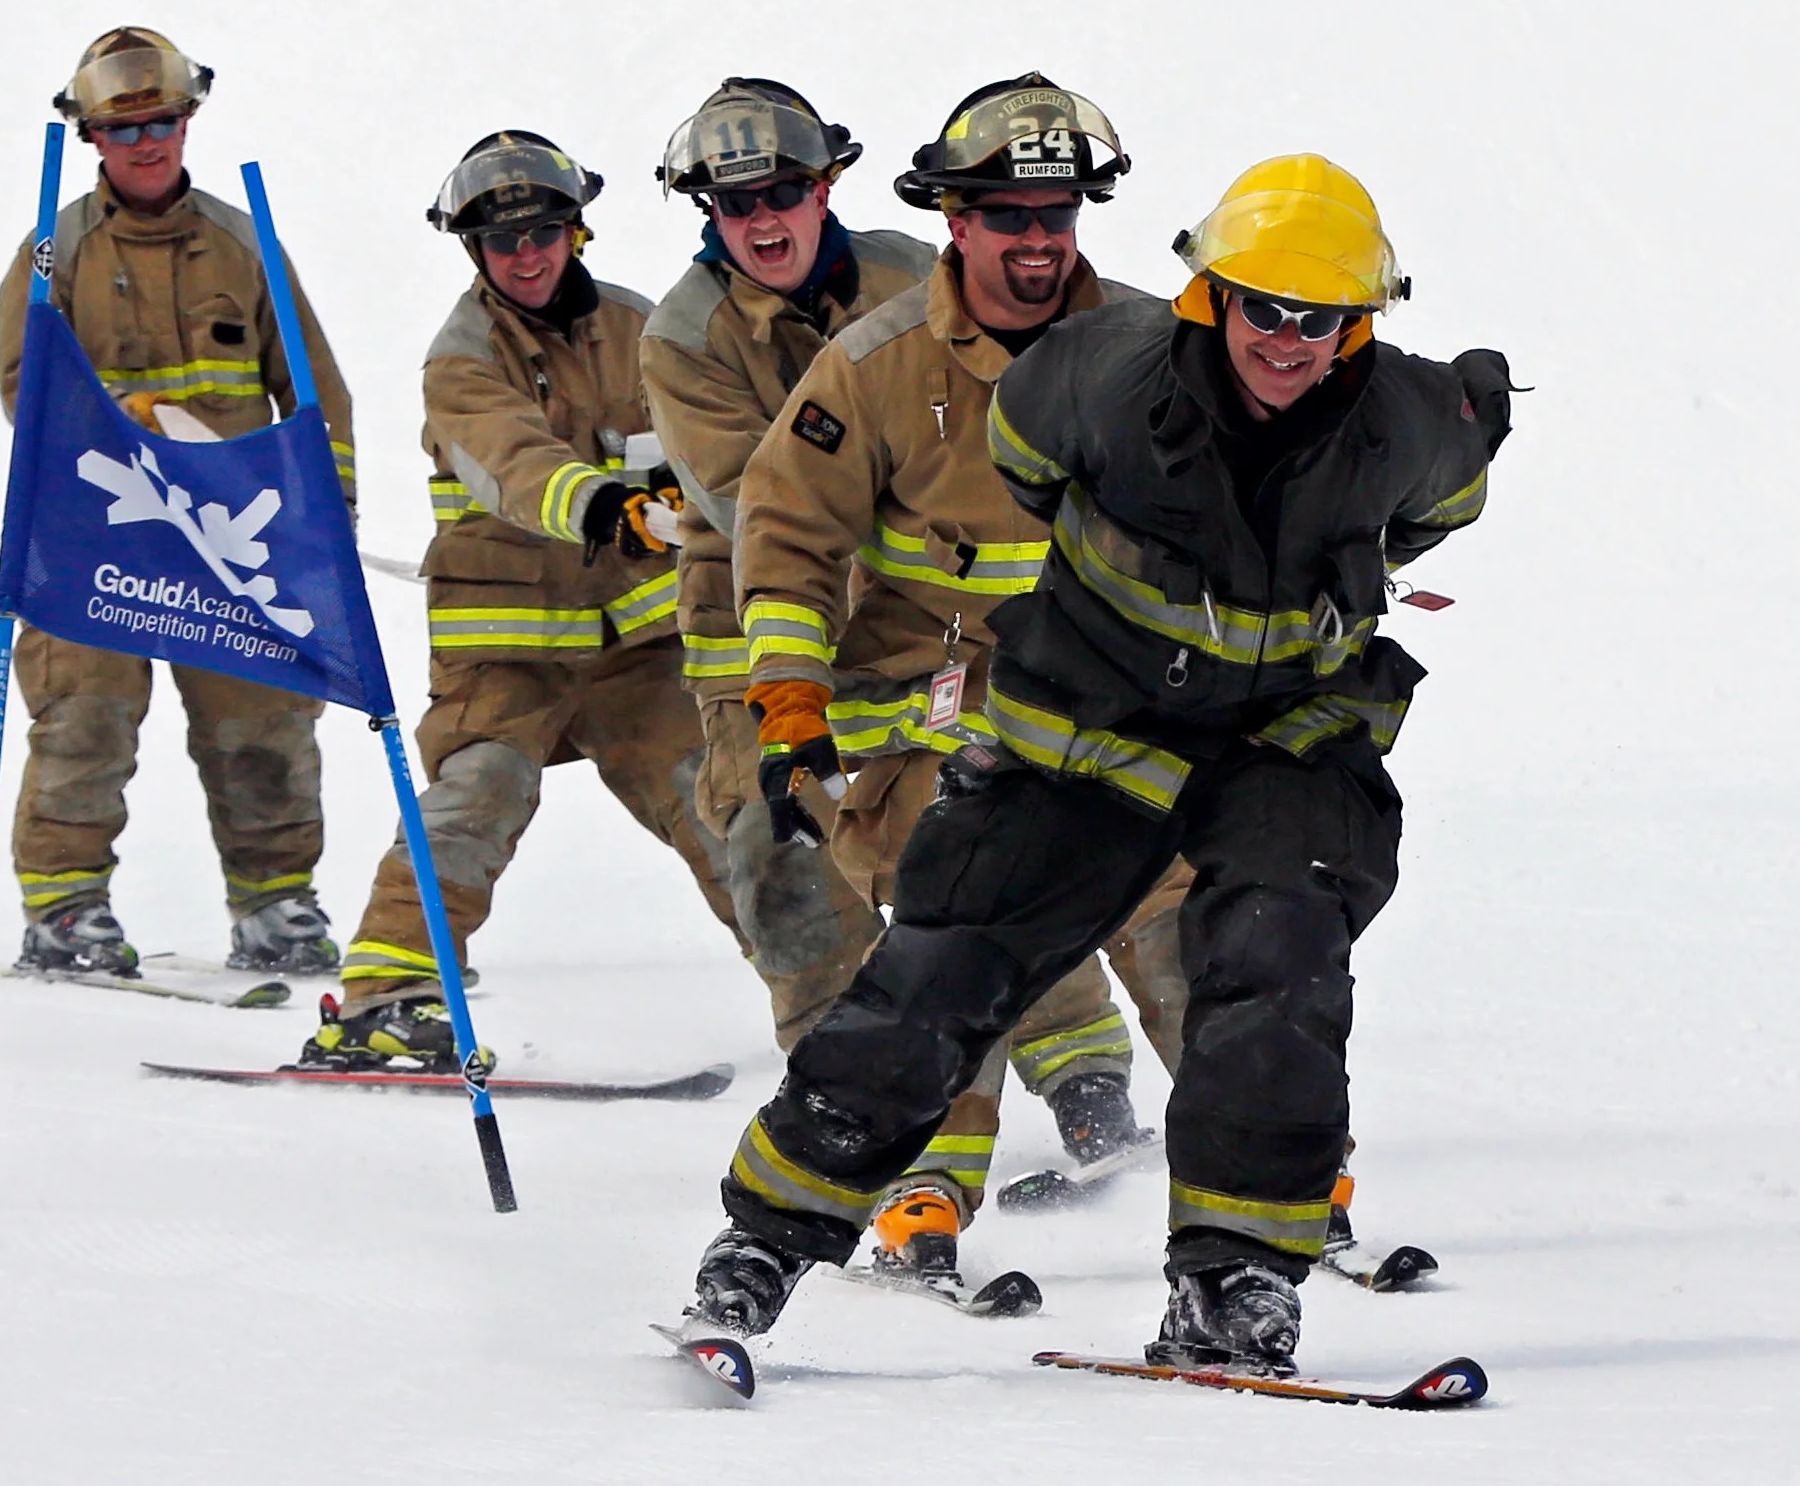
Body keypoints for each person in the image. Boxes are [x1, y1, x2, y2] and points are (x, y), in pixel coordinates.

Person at [687, 153, 1515, 1371]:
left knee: (1275, 963)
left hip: (1283, 740)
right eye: (1265, 309)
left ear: (1362, 322)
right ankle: (763, 1242)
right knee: (944, 967)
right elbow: (1021, 464)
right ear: (1211, 297)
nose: (1289, 340)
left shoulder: (1410, 420)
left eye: (1324, 318)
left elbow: (1443, 496)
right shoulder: (1090, 381)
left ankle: (1233, 1283)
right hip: (1087, 724)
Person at [721, 74, 1190, 1284]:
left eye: (1058, 218)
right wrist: (787, 699)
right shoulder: (875, 369)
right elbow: (784, 538)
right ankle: (928, 1185)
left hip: (1111, 698)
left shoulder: (1151, 351)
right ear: (955, 222)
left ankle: (1277, 1177)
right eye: (1008, 217)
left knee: (1193, 901)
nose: (1037, 244)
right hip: (928, 706)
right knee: (958, 894)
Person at [299, 131, 746, 1069]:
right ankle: (385, 999)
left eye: (544, 231)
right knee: (476, 795)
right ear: (473, 251)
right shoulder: (459, 360)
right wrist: (601, 504)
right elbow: (510, 459)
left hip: (641, 648)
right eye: (504, 243)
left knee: (722, 805)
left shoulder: (649, 329)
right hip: (504, 650)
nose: (527, 255)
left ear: (576, 228)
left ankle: (832, 996)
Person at [0, 27, 357, 976]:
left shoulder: (246, 246)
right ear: (91, 140)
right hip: (95, 534)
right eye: (125, 130)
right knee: (85, 714)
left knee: (264, 722)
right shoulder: (53, 252)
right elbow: (22, 388)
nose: (147, 143)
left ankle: (276, 905)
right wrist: (111, 415)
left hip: (230, 540)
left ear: (187, 120)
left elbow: (317, 394)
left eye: (162, 121)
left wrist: (327, 518)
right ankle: (64, 909)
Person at [639, 78, 933, 1051]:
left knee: (968, 834)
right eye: (734, 202)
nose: (760, 219)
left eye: (780, 192)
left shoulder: (919, 278)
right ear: (708, 213)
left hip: (924, 611)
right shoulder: (684, 335)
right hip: (756, 625)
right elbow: (748, 499)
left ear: (826, 187)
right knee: (781, 848)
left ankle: (1081, 1083)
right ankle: (834, 1087)